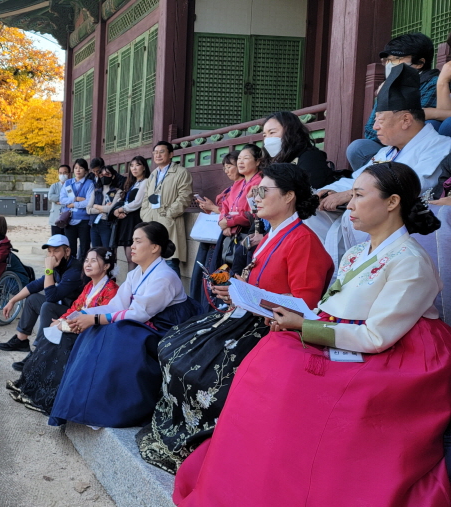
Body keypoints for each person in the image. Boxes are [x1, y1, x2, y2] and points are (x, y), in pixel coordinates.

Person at [173, 162, 451, 506]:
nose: (350, 204)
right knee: (271, 354)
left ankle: (286, 482)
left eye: (359, 196)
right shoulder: (357, 252)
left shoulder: (410, 261)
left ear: (392, 202)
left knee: (287, 374)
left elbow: (378, 336)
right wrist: (296, 320)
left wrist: (304, 326)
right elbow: (330, 306)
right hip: (348, 334)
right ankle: (254, 477)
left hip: (396, 354)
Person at [136, 163, 334, 473]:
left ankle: (205, 443)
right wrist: (239, 289)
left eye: (263, 191)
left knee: (198, 370)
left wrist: (250, 294)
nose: (255, 197)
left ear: (289, 196)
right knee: (173, 343)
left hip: (271, 328)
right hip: (247, 315)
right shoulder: (273, 234)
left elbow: (302, 306)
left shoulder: (303, 241)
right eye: (255, 191)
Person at [48, 222, 202, 428]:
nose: (132, 247)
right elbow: (116, 306)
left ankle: (105, 407)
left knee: (114, 333)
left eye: (138, 242)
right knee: (95, 330)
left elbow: (138, 314)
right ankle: (83, 403)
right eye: (132, 242)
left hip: (166, 332)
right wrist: (81, 316)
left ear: (154, 247)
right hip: (144, 324)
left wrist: (94, 319)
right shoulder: (135, 273)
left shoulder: (164, 276)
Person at [310, 64, 451, 267]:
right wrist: (327, 191)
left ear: (405, 120)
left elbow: (413, 185)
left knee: (354, 213)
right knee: (311, 212)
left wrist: (351, 195)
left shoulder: (440, 146)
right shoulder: (387, 152)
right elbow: (356, 179)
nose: (374, 127)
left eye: (380, 120)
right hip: (369, 208)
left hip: (399, 218)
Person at [8, 247, 119, 414]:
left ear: (106, 266)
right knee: (49, 337)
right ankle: (28, 386)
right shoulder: (90, 286)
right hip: (80, 328)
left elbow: (101, 320)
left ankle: (45, 398)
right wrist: (60, 321)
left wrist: (65, 325)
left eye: (93, 261)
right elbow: (75, 308)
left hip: (94, 335)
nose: (87, 264)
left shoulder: (111, 290)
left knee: (60, 342)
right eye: (86, 260)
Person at [346, 32, 441, 171]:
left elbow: (414, 123)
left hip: (416, 148)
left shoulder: (433, 83)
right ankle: (380, 181)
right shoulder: (388, 86)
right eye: (388, 60)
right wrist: (384, 94)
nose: (390, 64)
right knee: (357, 147)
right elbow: (371, 132)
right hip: (389, 147)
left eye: (397, 59)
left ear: (419, 63)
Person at [0, 235, 84, 364]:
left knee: (48, 306)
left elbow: (51, 297)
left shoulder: (75, 271)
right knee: (33, 298)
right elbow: (35, 285)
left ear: (67, 251)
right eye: (49, 251)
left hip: (75, 314)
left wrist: (49, 269)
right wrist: (12, 301)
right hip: (63, 307)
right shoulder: (59, 265)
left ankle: (38, 353)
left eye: (56, 251)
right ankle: (21, 340)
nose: (51, 256)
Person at [190, 151, 242, 299]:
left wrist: (214, 208)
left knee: (218, 271)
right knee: (205, 271)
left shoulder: (246, 187)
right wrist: (210, 209)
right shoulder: (231, 188)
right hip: (214, 236)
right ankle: (203, 302)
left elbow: (237, 214)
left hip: (230, 238)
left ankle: (214, 304)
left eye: (229, 166)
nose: (226, 171)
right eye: (224, 167)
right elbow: (224, 212)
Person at [211, 144, 266, 277]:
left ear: (257, 161)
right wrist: (223, 221)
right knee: (221, 270)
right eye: (239, 159)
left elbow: (253, 214)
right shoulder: (239, 183)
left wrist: (229, 221)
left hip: (247, 233)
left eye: (245, 158)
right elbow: (225, 205)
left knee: (238, 272)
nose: (240, 162)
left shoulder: (259, 182)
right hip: (230, 232)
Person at [140, 141, 193, 274]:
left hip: (169, 221)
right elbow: (146, 197)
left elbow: (185, 196)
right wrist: (145, 214)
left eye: (161, 152)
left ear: (171, 154)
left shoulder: (181, 172)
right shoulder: (153, 174)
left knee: (170, 261)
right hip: (151, 221)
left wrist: (169, 213)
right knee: (152, 261)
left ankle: (173, 289)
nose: (158, 155)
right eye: (155, 153)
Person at [262, 111, 337, 188]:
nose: (267, 139)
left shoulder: (310, 157)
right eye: (264, 135)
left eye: (272, 132)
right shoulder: (276, 161)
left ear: (290, 131)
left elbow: (308, 191)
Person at [111, 156, 151, 270]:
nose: (134, 168)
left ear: (144, 167)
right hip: (126, 221)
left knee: (133, 257)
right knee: (129, 257)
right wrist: (117, 212)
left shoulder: (145, 182)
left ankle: (135, 280)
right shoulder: (132, 183)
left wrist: (120, 210)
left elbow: (137, 203)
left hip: (135, 220)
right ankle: (131, 280)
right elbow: (124, 201)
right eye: (132, 166)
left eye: (137, 165)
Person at [59, 158, 95, 259]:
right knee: (70, 248)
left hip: (84, 220)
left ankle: (83, 267)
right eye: (76, 168)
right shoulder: (68, 183)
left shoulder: (90, 183)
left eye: (81, 168)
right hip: (69, 219)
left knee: (84, 248)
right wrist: (76, 199)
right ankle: (72, 267)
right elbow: (62, 199)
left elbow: (88, 202)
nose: (78, 170)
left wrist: (73, 204)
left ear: (86, 171)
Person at [87, 165, 123, 248]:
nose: (104, 177)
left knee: (107, 251)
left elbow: (112, 209)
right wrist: (103, 209)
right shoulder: (96, 191)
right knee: (95, 251)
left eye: (107, 174)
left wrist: (96, 206)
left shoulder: (117, 191)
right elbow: (88, 209)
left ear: (113, 176)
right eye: (101, 175)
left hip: (108, 224)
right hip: (94, 224)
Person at [48, 164, 72, 235]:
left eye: (65, 173)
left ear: (69, 174)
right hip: (55, 218)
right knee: (56, 239)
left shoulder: (72, 186)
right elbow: (50, 197)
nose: (62, 175)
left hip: (68, 218)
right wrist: (65, 199)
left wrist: (60, 201)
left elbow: (72, 198)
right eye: (60, 173)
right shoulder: (54, 186)